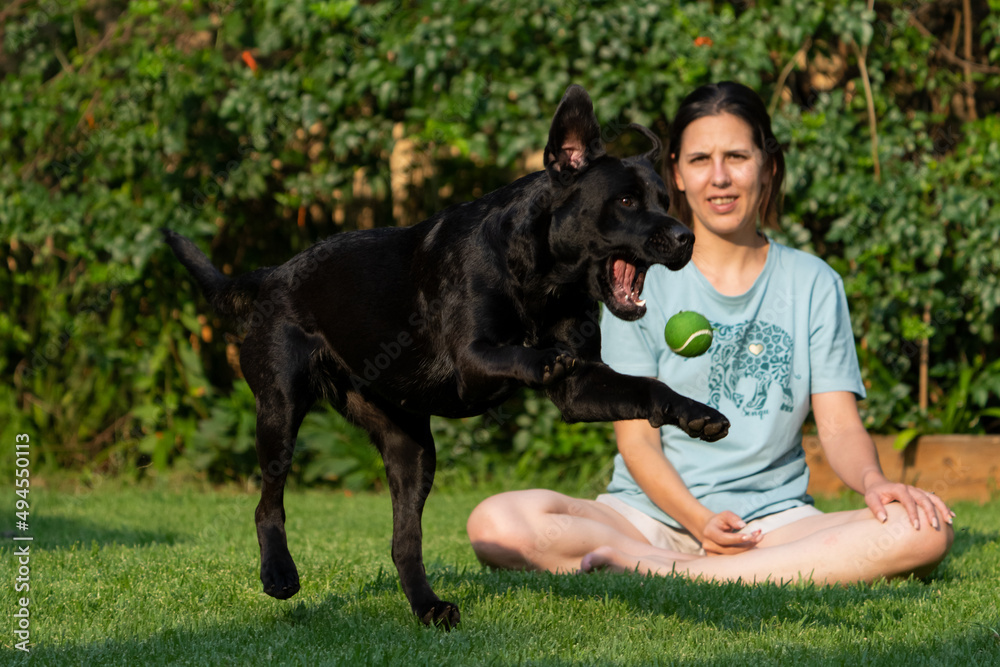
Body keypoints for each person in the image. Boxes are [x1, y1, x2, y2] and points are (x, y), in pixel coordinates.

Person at [465, 82, 954, 584]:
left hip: (772, 524)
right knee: (496, 523)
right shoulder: (634, 279)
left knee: (924, 530)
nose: (719, 178)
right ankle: (697, 564)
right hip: (648, 518)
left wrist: (875, 482)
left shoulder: (813, 282)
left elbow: (839, 426)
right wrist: (699, 523)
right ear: (676, 171)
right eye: (700, 160)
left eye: (737, 156)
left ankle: (675, 573)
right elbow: (638, 444)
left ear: (768, 165)